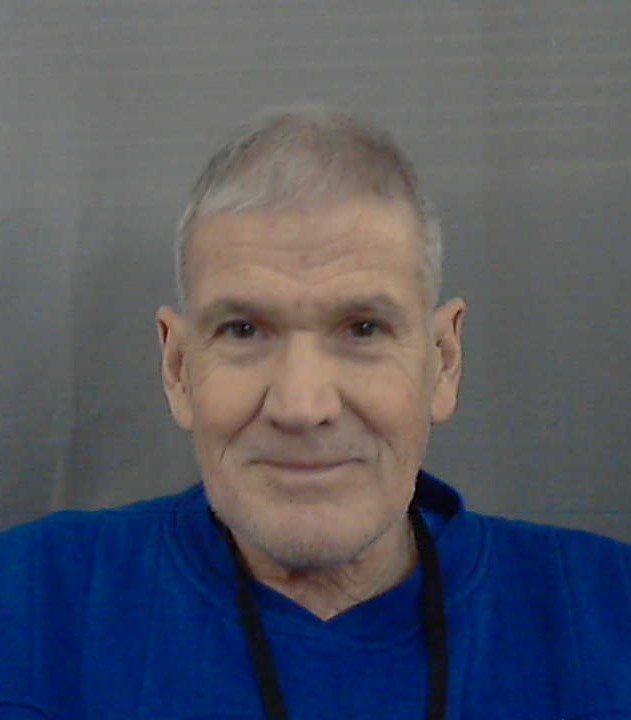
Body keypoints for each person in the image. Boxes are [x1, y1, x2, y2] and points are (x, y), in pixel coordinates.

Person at [1, 105, 630, 720]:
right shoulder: (29, 606)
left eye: (363, 329)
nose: (302, 407)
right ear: (178, 369)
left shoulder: (609, 613)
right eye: (243, 330)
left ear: (442, 363)